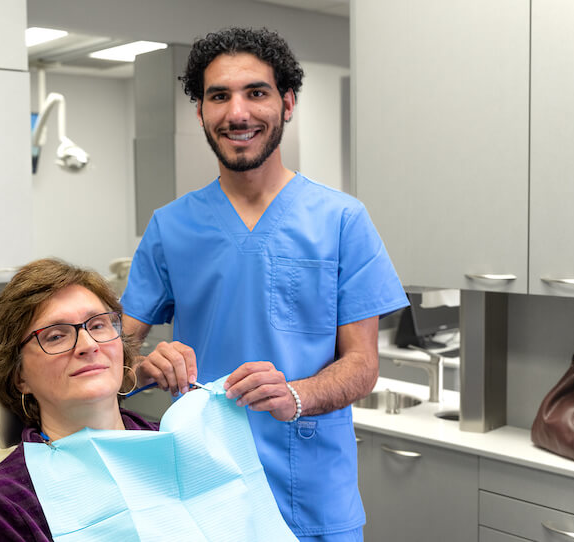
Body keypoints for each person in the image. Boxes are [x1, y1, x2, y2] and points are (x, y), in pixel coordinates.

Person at [121, 27, 409, 541]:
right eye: (219, 96)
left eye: (256, 92)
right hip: (204, 495)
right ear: (200, 112)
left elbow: (363, 367)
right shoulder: (170, 227)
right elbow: (111, 359)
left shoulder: (342, 221)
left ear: (288, 102)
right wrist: (144, 367)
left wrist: (294, 395)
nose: (237, 113)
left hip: (313, 499)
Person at [0, 258, 158, 542]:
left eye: (98, 325)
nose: (88, 345)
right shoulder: (0, 503)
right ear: (19, 377)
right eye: (55, 336)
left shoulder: (178, 446)